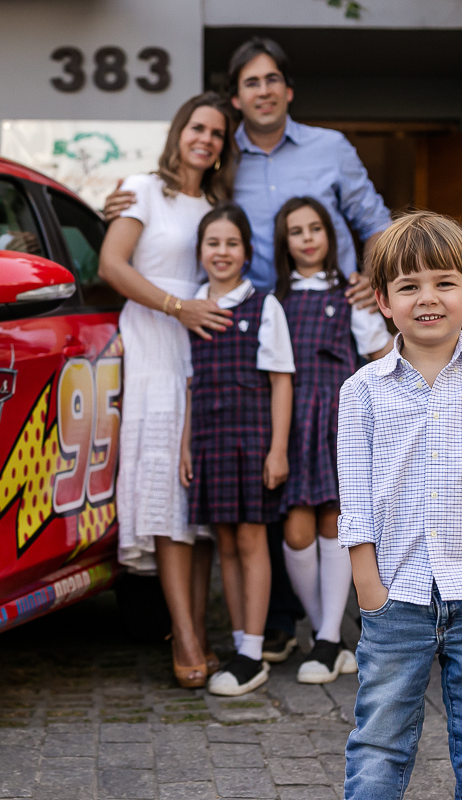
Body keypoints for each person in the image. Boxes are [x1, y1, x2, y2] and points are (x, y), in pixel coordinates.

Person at [104, 37, 393, 660]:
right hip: (230, 333)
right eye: (250, 84)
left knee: (312, 483)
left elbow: (375, 219)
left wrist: (382, 275)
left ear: (288, 90)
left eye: (272, 81)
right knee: (261, 476)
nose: (262, 92)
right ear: (238, 99)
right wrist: (118, 202)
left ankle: (326, 625)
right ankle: (279, 623)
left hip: (314, 322)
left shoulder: (328, 149)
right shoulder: (223, 160)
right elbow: (164, 216)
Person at [337, 211, 462, 799]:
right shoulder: (362, 390)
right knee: (379, 744)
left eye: (444, 283)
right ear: (382, 300)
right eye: (408, 286)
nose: (428, 298)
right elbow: (356, 494)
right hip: (395, 598)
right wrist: (369, 588)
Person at [99, 92, 238, 688]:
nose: (205, 138)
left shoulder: (218, 205)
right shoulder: (142, 188)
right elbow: (113, 264)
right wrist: (176, 306)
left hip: (203, 347)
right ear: (179, 130)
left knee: (197, 499)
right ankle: (182, 635)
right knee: (163, 491)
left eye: (217, 133)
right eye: (197, 127)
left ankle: (199, 631)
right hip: (156, 341)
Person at [272, 198, 392, 685]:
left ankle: (324, 640)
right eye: (296, 231)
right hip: (292, 421)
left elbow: (382, 353)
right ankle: (334, 636)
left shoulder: (351, 296)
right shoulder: (274, 300)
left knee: (335, 524)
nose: (307, 238)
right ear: (284, 243)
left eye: (315, 228)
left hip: (340, 421)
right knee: (295, 532)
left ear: (329, 235)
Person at [177, 205, 294, 696]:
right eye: (212, 244)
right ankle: (242, 640)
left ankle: (252, 654)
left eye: (231, 244)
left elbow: (281, 382)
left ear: (246, 253)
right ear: (200, 252)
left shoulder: (263, 306)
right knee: (224, 541)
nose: (221, 253)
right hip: (209, 439)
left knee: (251, 541)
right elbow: (189, 384)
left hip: (252, 440)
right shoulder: (191, 308)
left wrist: (278, 449)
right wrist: (186, 446)